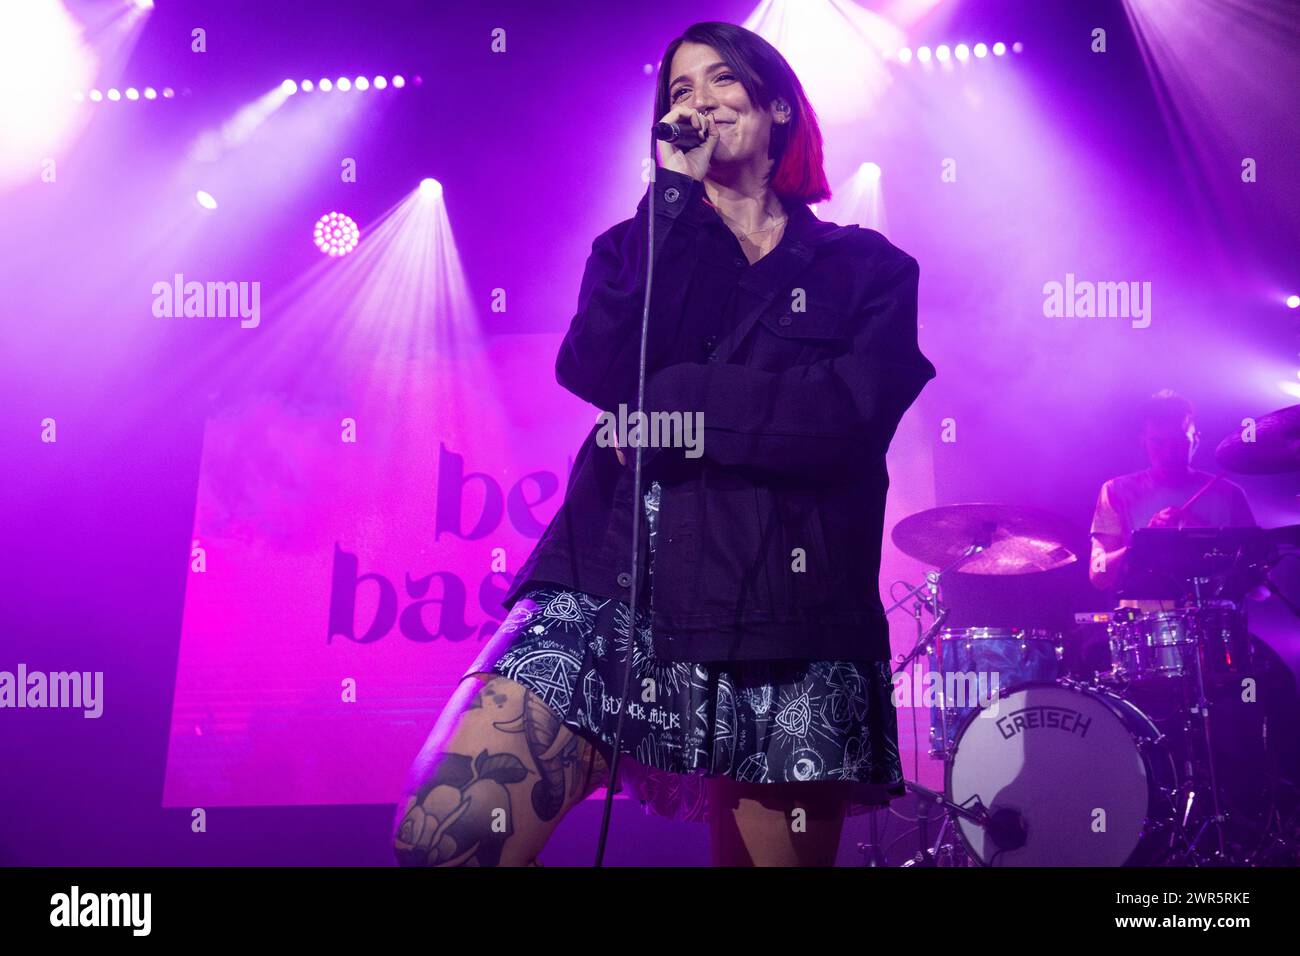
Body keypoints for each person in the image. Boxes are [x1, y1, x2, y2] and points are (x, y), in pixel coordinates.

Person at [392, 21, 935, 867]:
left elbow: (844, 421)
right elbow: (595, 368)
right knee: (445, 837)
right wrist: (671, 205)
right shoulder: (637, 245)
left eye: (721, 82)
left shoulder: (868, 271)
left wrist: (669, 408)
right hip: (612, 587)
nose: (697, 102)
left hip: (786, 621)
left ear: (778, 107)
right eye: (679, 91)